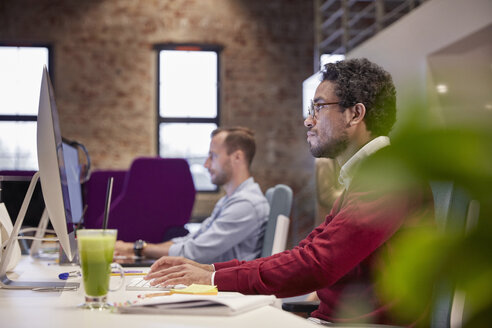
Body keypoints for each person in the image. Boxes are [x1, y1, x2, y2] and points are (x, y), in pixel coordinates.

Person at [143, 58, 432, 325]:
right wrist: (210, 271)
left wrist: (215, 277)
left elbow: (317, 264)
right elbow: (307, 251)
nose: (309, 120)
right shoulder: (366, 176)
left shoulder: (387, 177)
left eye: (319, 107)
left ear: (355, 114)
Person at [114, 127, 270, 264]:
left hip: (226, 290)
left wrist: (136, 249)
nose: (206, 164)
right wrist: (136, 250)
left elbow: (193, 253)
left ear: (237, 157)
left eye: (213, 156)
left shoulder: (246, 204)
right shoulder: (230, 200)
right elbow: (192, 240)